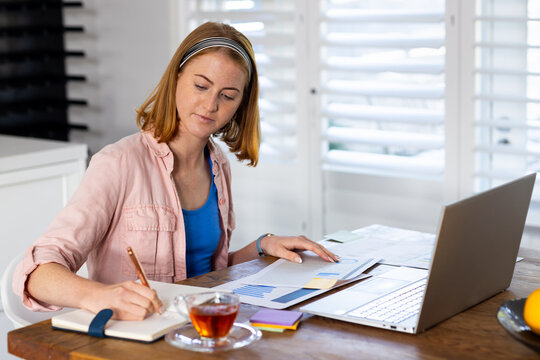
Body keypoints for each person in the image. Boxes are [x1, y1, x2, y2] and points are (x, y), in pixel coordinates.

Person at [13, 22, 338, 321]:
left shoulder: (218, 164)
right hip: (137, 341)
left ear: (241, 104)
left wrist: (261, 245)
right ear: (176, 78)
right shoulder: (119, 163)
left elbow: (208, 270)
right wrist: (100, 295)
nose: (211, 105)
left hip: (193, 330)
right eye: (201, 86)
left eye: (227, 96)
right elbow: (36, 273)